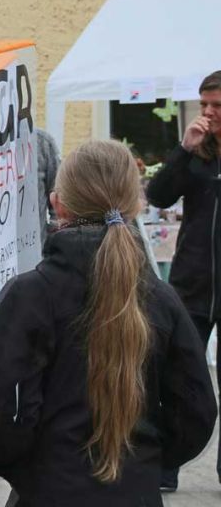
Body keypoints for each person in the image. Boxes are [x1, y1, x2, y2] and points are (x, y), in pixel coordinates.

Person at [0, 139, 216, 506]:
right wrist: (149, 459)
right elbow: (197, 410)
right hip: (136, 492)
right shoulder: (161, 299)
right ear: (135, 204)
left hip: (49, 490)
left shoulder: (31, 294)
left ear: (57, 203)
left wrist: (22, 466)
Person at [148, 70, 221, 492]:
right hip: (191, 286)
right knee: (180, 382)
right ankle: (167, 467)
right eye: (204, 104)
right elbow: (158, 196)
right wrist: (183, 150)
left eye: (217, 105)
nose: (208, 112)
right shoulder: (195, 152)